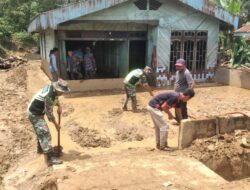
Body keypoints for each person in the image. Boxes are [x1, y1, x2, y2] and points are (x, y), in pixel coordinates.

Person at [27, 79, 70, 165]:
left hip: (37, 111)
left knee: (41, 132)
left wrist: (59, 106)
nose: (63, 93)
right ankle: (50, 158)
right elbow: (49, 113)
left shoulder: (53, 90)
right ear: (57, 89)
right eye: (62, 91)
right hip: (34, 113)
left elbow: (56, 98)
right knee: (45, 133)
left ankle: (41, 149)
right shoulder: (50, 95)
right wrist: (56, 125)